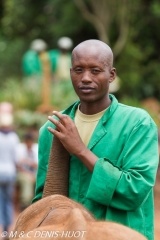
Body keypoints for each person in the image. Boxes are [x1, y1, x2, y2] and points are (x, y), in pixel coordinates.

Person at [32, 40, 159, 240]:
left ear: (111, 75)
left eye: (96, 70)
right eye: (78, 70)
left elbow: (134, 190)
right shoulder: (52, 130)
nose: (85, 78)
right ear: (70, 72)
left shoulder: (137, 124)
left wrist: (80, 150)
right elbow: (43, 202)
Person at [0, 104, 20, 238]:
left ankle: (3, 229)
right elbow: (17, 159)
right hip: (10, 173)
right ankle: (7, 230)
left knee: (1, 201)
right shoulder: (14, 137)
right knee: (8, 201)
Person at [16, 133, 38, 211]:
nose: (28, 143)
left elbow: (38, 165)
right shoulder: (19, 148)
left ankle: (38, 202)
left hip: (35, 173)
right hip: (23, 173)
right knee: (27, 180)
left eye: (29, 142)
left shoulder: (36, 148)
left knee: (42, 179)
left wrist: (29, 162)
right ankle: (24, 204)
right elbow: (17, 165)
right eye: (26, 142)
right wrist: (28, 173)